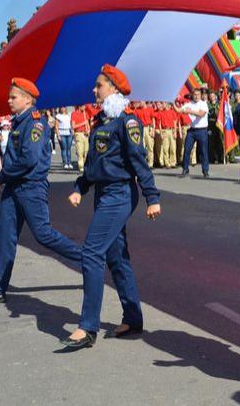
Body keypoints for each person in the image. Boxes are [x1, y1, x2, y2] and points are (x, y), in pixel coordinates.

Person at [60, 64, 161, 350]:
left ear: (114, 89)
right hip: (103, 194)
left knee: (91, 253)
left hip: (119, 195)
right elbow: (94, 165)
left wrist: (152, 198)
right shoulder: (100, 122)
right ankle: (133, 317)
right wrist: (80, 188)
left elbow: (139, 161)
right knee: (116, 257)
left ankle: (87, 326)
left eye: (99, 86)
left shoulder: (126, 123)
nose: (94, 90)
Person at [0, 78, 82, 306]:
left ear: (28, 99)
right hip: (14, 189)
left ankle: (89, 259)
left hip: (30, 188)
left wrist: (2, 175)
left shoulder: (35, 123)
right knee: (4, 237)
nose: (9, 101)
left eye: (13, 97)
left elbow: (28, 159)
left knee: (44, 235)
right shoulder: (19, 122)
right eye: (9, 97)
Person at [175, 88, 210, 178]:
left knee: (203, 151)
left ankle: (205, 170)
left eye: (198, 94)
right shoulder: (189, 104)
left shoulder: (203, 104)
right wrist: (172, 103)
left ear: (201, 95)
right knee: (186, 149)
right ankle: (185, 169)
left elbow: (201, 114)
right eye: (195, 94)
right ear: (192, 95)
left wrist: (190, 111)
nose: (196, 96)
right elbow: (178, 110)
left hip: (202, 130)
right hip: (192, 130)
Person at [71, 104, 90, 172]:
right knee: (80, 151)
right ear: (79, 106)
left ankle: (85, 165)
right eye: (83, 106)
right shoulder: (74, 114)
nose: (85, 107)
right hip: (78, 134)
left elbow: (87, 124)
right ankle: (81, 166)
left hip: (85, 134)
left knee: (86, 151)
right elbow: (73, 126)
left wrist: (88, 130)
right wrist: (82, 123)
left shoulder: (85, 113)